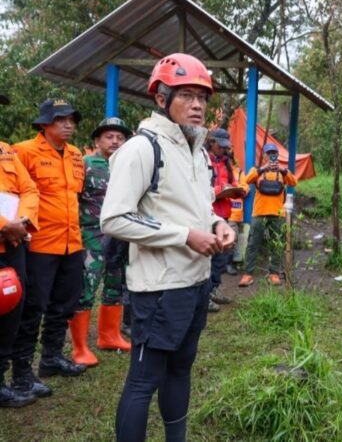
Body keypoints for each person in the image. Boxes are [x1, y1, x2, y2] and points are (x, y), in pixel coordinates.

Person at [101, 53, 235, 441]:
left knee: (181, 367)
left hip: (194, 282)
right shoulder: (142, 149)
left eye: (203, 98)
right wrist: (184, 236)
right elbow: (114, 218)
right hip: (158, 287)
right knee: (144, 380)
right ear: (162, 99)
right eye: (187, 96)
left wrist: (217, 223)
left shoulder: (198, 150)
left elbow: (199, 207)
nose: (197, 106)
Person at [11, 98, 88, 399]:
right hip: (40, 244)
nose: (69, 125)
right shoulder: (23, 151)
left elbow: (75, 197)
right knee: (32, 308)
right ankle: (21, 373)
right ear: (44, 124)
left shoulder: (76, 154)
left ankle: (51, 358)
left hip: (72, 243)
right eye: (60, 120)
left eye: (72, 120)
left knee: (64, 305)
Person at [69, 117, 133, 367]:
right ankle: (80, 347)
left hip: (121, 234)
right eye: (109, 136)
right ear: (97, 140)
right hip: (92, 235)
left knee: (115, 284)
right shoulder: (86, 165)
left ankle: (109, 336)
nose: (115, 141)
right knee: (87, 286)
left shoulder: (128, 166)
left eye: (120, 137)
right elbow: (71, 198)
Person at [0, 93, 40, 408]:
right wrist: (3, 224)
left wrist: (21, 223)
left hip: (12, 244)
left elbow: (28, 189)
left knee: (12, 305)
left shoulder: (6, 151)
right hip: (5, 233)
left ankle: (1, 379)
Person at [239, 142, 297, 287]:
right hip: (259, 213)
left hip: (278, 214)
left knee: (276, 245)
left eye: (274, 153)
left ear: (277, 155)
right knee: (253, 243)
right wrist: (262, 169)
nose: (271, 156)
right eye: (268, 153)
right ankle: (248, 274)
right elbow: (247, 179)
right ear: (264, 155)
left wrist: (283, 171)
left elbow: (294, 182)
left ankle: (274, 274)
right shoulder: (257, 170)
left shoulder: (283, 172)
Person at [206, 128, 245, 311]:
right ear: (211, 142)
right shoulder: (203, 161)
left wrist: (236, 190)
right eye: (220, 146)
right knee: (208, 256)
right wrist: (218, 190)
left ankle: (213, 288)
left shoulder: (226, 163)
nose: (223, 149)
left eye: (225, 147)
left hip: (225, 213)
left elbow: (233, 183)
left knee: (222, 255)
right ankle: (204, 296)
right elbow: (199, 189)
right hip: (208, 214)